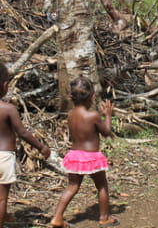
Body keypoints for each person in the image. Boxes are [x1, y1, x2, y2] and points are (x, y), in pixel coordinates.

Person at [0, 60, 51, 228]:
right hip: (3, 158)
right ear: (4, 85)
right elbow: (23, 133)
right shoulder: (8, 108)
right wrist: (41, 147)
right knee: (1, 196)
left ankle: (3, 215)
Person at [50, 76, 118, 228]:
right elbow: (106, 132)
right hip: (91, 157)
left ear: (70, 97)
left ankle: (57, 217)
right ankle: (104, 217)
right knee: (101, 186)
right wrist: (107, 115)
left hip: (74, 155)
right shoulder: (93, 115)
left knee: (72, 186)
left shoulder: (71, 115)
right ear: (93, 96)